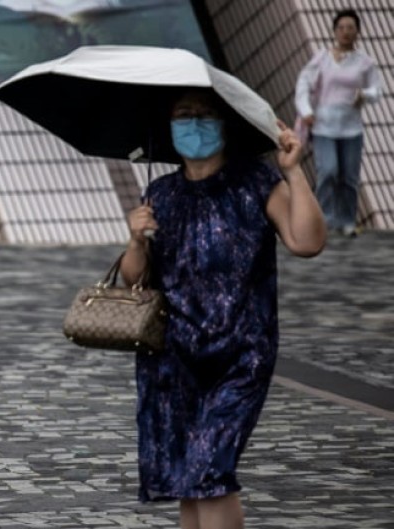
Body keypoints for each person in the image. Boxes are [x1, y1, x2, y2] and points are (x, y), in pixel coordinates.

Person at [120, 88, 326, 529]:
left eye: (205, 114)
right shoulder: (161, 192)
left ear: (225, 124)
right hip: (173, 359)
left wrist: (294, 173)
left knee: (209, 467)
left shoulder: (255, 181)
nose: (194, 124)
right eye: (184, 115)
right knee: (187, 476)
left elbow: (307, 242)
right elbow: (135, 279)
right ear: (169, 126)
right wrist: (135, 238)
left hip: (241, 354)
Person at [295, 8, 383, 238]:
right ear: (334, 31)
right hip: (324, 126)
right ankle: (324, 218)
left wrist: (364, 94)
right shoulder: (322, 58)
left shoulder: (365, 62)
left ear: (358, 32)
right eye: (341, 28)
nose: (345, 32)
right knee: (328, 171)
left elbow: (376, 89)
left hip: (351, 128)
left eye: (350, 28)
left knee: (350, 177)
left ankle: (346, 220)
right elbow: (303, 83)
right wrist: (305, 110)